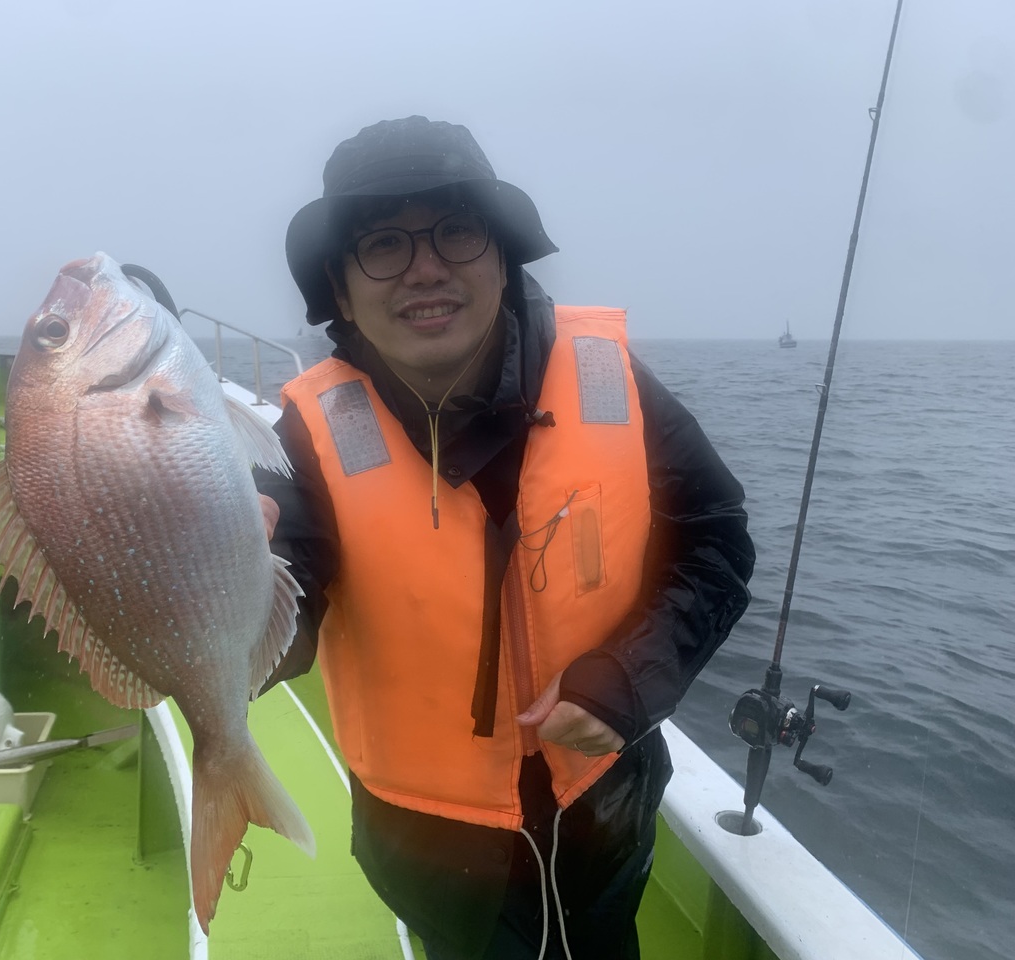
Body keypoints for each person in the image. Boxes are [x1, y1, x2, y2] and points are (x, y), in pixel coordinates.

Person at [255, 115, 755, 960]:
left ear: (503, 259)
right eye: (382, 244)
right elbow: (283, 617)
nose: (424, 269)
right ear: (340, 290)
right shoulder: (306, 437)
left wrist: (630, 677)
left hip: (607, 807)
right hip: (429, 841)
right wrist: (229, 584)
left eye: (456, 232)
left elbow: (715, 541)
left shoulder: (608, 379)